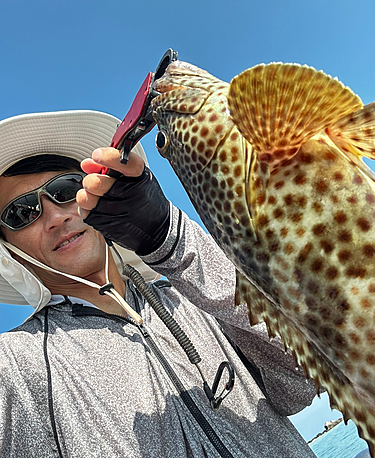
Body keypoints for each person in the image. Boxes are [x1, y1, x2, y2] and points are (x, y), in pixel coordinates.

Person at [0, 109, 318, 458]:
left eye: (65, 189)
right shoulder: (16, 365)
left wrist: (167, 237)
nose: (55, 216)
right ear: (8, 253)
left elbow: (301, 380)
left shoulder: (197, 294)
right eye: (21, 212)